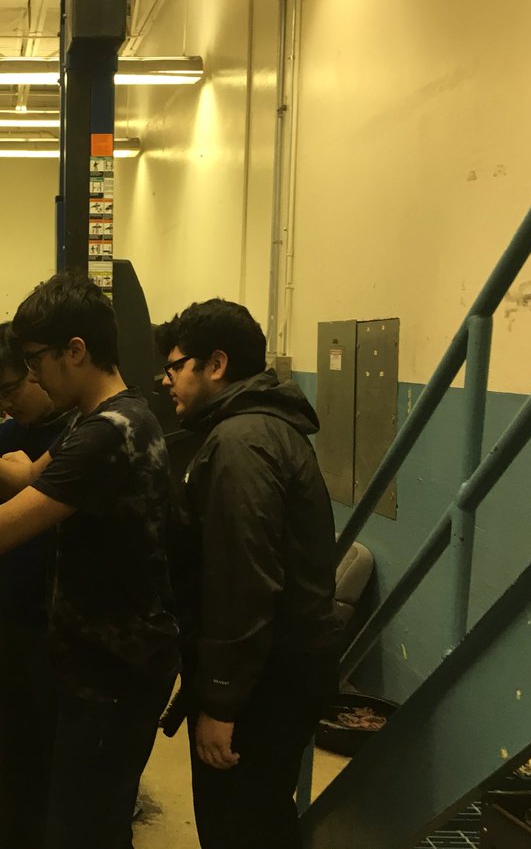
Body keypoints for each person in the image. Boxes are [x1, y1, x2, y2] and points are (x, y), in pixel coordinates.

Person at [0, 272, 181, 849]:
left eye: (34, 362)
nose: (30, 377)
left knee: (84, 831)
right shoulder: (113, 416)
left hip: (112, 674)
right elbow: (26, 476)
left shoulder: (106, 434)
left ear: (75, 351)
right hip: (104, 662)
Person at [156, 298, 342, 849]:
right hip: (274, 677)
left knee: (240, 825)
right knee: (261, 815)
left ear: (214, 365)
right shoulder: (258, 430)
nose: (165, 381)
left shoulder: (241, 444)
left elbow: (242, 583)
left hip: (261, 689)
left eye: (174, 366)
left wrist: (219, 702)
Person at [0, 322, 72, 849]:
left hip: (73, 628)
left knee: (68, 760)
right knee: (17, 747)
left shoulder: (80, 437)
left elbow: (1, 521)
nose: (5, 404)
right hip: (16, 616)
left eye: (12, 389)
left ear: (38, 370)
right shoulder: (6, 437)